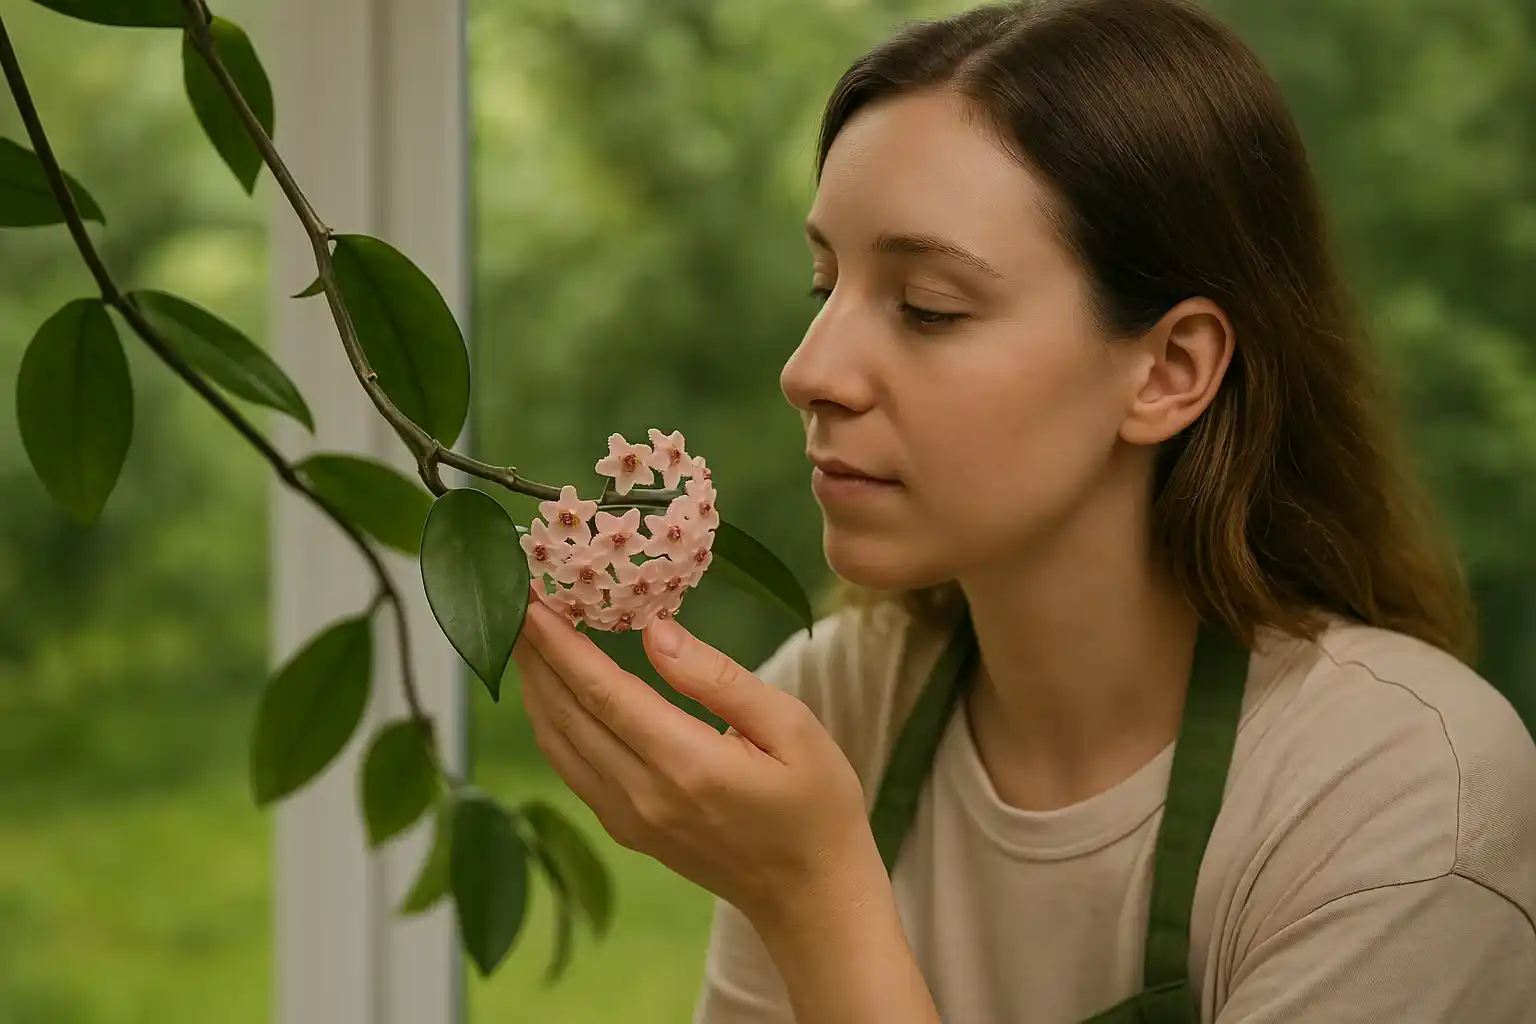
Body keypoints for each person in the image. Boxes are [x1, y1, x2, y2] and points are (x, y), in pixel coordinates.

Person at [511, 0, 1536, 1021]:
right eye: (824, 284)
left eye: (928, 308)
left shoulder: (1402, 798)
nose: (809, 369)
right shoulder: (841, 707)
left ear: (1169, 370)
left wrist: (812, 893)